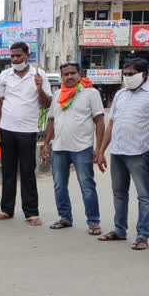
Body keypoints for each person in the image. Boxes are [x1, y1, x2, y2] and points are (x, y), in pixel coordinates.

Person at [95, 58, 149, 251]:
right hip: (117, 151)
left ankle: (143, 235)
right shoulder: (120, 95)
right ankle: (120, 229)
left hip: (139, 152)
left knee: (144, 196)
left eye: (131, 74)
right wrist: (101, 150)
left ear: (144, 74)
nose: (127, 77)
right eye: (125, 74)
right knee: (119, 193)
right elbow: (112, 124)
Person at [0, 42, 52, 226]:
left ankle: (31, 212)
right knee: (8, 171)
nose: (15, 59)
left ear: (27, 55)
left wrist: (40, 88)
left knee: (27, 172)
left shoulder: (39, 75)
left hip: (28, 131)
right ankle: (6, 209)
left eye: (18, 56)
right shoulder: (5, 75)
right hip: (7, 129)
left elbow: (47, 103)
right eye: (12, 56)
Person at [42, 62, 104, 234]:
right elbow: (52, 120)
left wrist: (99, 149)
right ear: (61, 77)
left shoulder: (91, 93)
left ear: (79, 74)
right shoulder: (57, 94)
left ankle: (93, 222)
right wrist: (46, 143)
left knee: (87, 186)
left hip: (82, 148)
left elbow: (99, 121)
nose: (69, 77)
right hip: (59, 147)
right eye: (66, 74)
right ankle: (65, 218)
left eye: (72, 73)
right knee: (59, 185)